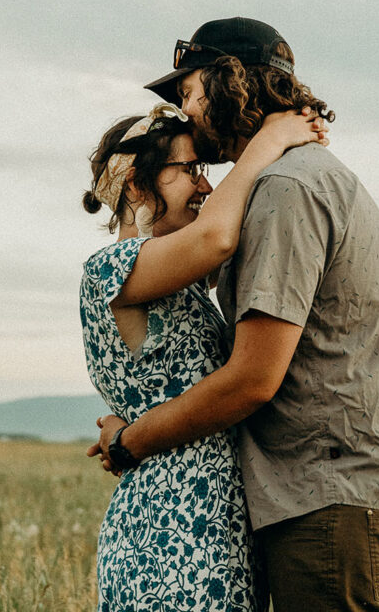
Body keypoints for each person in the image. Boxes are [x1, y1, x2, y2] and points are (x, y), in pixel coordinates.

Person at [89, 17, 379, 611]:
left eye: (191, 92)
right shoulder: (280, 186)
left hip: (327, 496)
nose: (188, 112)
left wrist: (131, 440)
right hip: (300, 498)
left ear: (232, 84)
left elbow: (252, 378)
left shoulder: (284, 190)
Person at [79, 93, 327, 611]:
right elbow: (218, 237)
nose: (206, 184)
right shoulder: (109, 269)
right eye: (190, 169)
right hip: (172, 530)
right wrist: (270, 139)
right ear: (137, 183)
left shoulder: (177, 283)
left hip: (211, 522)